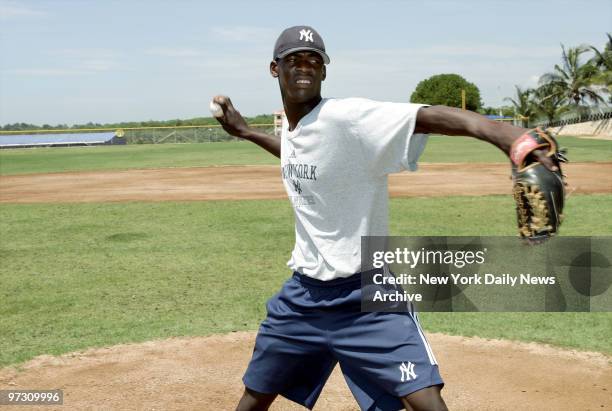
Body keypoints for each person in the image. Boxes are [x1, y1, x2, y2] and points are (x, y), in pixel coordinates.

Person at [213, 25, 556, 411]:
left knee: (425, 398)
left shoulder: (346, 117)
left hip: (367, 294)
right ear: (275, 69)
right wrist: (245, 133)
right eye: (294, 60)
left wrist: (506, 136)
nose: (304, 67)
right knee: (255, 395)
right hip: (302, 299)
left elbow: (427, 116)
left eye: (313, 60)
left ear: (325, 71)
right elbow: (296, 152)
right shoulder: (297, 128)